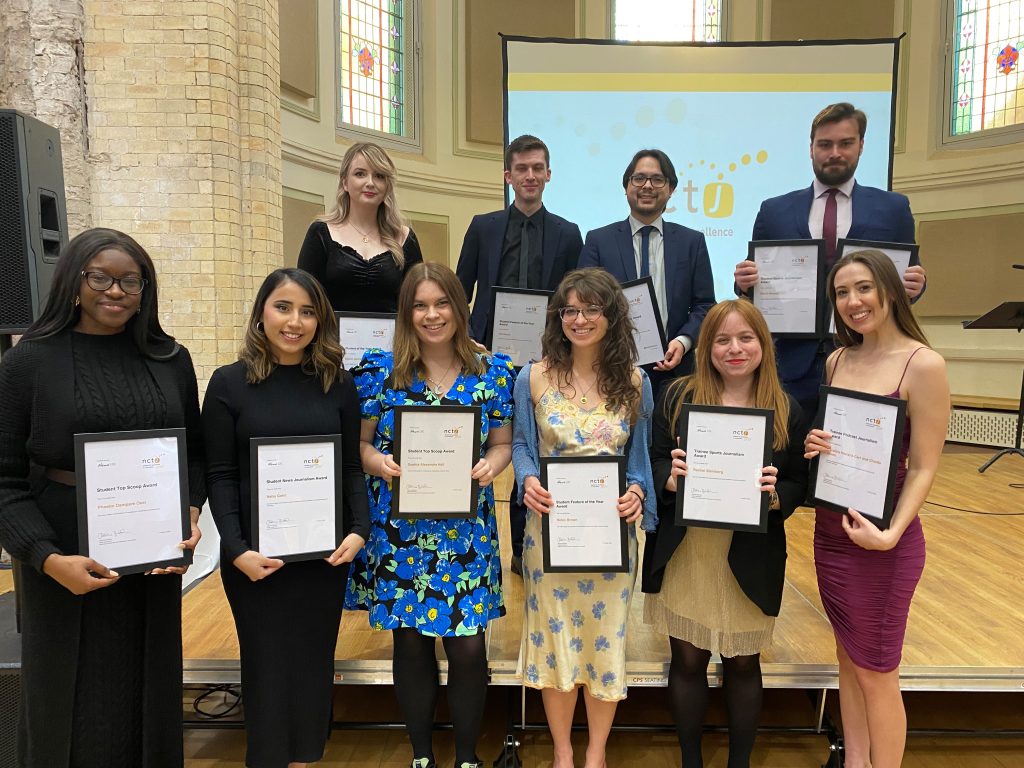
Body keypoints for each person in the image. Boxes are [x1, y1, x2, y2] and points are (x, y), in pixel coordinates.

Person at [0, 227, 205, 768]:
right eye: (101, 278)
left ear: (145, 290)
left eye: (129, 281)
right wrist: (46, 557)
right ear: (74, 281)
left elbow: (196, 455)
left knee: (148, 686)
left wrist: (189, 511)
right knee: (62, 695)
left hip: (151, 558)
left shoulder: (170, 359)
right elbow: (5, 479)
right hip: (61, 555)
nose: (115, 291)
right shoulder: (30, 361)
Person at [345, 262, 515, 768]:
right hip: (400, 533)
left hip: (466, 531)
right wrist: (382, 463)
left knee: (467, 650)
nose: (432, 314)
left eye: (441, 303)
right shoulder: (379, 369)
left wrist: (492, 464)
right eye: (420, 305)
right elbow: (361, 444)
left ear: (459, 307)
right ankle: (422, 755)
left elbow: (502, 443)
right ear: (406, 311)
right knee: (412, 645)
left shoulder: (494, 370)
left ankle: (466, 757)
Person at [202, 268, 370, 768]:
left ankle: (304, 759)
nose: (294, 322)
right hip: (257, 558)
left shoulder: (336, 383)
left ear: (321, 320)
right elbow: (220, 476)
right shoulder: (229, 384)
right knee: (266, 665)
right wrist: (236, 551)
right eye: (283, 307)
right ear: (261, 312)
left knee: (313, 663)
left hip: (323, 556)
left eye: (307, 311)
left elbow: (351, 467)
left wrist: (359, 529)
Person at [642, 299, 809, 768]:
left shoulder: (786, 409)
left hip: (750, 552)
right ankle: (691, 760)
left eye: (745, 338)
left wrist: (776, 496)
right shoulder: (677, 397)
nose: (734, 349)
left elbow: (798, 480)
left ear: (763, 345)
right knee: (688, 663)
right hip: (687, 548)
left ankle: (739, 763)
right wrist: (669, 478)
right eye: (722, 339)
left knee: (742, 663)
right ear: (707, 347)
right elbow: (653, 460)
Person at [804, 250, 948, 768]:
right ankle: (856, 761)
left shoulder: (922, 363)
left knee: (878, 670)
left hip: (884, 544)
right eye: (841, 293)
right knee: (847, 657)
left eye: (863, 288)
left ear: (889, 289)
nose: (853, 302)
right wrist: (818, 443)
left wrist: (890, 535)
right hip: (832, 533)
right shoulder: (838, 359)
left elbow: (924, 467)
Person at [511, 267, 656, 768]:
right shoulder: (532, 375)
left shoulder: (636, 381)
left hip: (611, 538)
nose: (580, 318)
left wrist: (637, 491)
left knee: (603, 642)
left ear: (612, 315)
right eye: (570, 309)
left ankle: (595, 754)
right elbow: (525, 449)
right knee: (555, 645)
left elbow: (639, 461)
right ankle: (562, 754)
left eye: (591, 308)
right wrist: (527, 480)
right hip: (549, 535)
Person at [734, 102, 927, 417]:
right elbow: (751, 284)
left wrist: (917, 286)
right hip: (789, 366)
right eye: (825, 144)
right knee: (787, 458)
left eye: (845, 143)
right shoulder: (774, 210)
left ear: (861, 146)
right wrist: (743, 283)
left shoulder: (893, 208)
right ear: (811, 149)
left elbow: (908, 277)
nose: (834, 152)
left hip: (867, 357)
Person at [455, 133, 584, 578]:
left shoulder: (569, 233)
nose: (530, 176)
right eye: (521, 169)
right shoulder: (483, 225)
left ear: (549, 175)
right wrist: (468, 341)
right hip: (486, 361)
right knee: (490, 451)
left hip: (548, 362)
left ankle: (525, 545)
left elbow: (575, 297)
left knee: (531, 445)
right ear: (508, 176)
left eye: (538, 168)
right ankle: (478, 543)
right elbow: (460, 289)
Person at [578, 148, 716, 389]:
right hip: (611, 370)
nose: (647, 186)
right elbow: (583, 303)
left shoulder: (691, 242)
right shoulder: (599, 241)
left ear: (671, 189)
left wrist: (683, 342)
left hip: (676, 373)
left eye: (658, 179)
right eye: (639, 178)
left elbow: (704, 305)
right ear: (626, 187)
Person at [298, 141, 423, 313]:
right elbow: (303, 299)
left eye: (379, 176)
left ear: (387, 186)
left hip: (394, 340)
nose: (370, 182)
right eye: (360, 174)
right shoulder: (320, 232)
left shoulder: (405, 237)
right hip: (330, 339)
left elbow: (418, 302)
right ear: (345, 183)